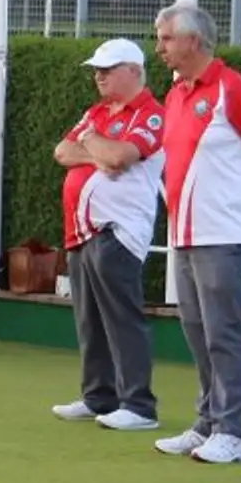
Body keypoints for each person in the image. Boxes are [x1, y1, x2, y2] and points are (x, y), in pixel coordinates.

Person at [151, 4, 241, 465]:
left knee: (223, 332)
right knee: (196, 329)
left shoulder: (232, 88)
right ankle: (207, 422)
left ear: (194, 41)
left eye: (167, 38)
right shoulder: (176, 95)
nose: (160, 47)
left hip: (226, 231)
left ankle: (233, 432)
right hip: (187, 233)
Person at [49, 39, 167, 432]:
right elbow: (62, 151)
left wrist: (95, 145)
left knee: (122, 318)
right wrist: (97, 150)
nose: (98, 75)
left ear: (133, 70)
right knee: (89, 320)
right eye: (97, 69)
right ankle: (98, 396)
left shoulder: (150, 114)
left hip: (119, 230)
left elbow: (122, 157)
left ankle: (139, 405)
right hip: (82, 231)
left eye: (108, 68)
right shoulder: (97, 111)